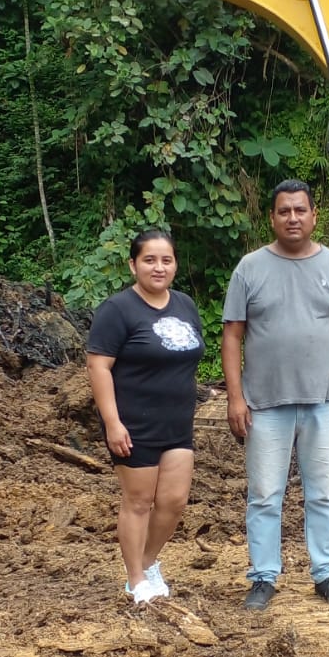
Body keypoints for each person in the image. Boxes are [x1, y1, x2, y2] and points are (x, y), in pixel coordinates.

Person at [222, 180, 329, 610]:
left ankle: (326, 573)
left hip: (324, 400)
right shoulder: (250, 268)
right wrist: (235, 398)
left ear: (313, 216)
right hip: (264, 403)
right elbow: (231, 336)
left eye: (300, 210)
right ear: (272, 218)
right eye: (284, 211)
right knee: (264, 495)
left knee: (323, 492)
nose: (293, 218)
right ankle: (263, 577)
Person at [86, 229, 204, 605]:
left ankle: (149, 561)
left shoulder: (185, 305)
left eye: (166, 260)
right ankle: (135, 579)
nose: (158, 267)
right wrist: (112, 422)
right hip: (133, 423)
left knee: (174, 501)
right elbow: (99, 367)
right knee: (138, 502)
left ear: (175, 265)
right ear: (133, 265)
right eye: (149, 260)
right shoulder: (118, 310)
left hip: (177, 422)